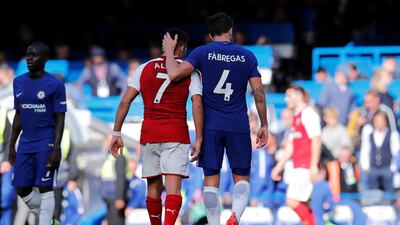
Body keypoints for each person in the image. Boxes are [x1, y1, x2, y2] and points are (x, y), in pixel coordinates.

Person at [162, 12, 268, 225]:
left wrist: (169, 52)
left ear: (210, 35)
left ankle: (213, 223)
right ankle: (235, 216)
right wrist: (264, 124)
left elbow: (174, 74)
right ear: (231, 30)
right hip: (238, 123)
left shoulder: (202, 53)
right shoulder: (247, 56)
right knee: (241, 176)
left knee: (211, 181)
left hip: (211, 125)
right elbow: (258, 92)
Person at [109, 28, 203, 225]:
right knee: (173, 187)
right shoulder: (189, 72)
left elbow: (125, 101)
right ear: (183, 48)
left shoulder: (143, 68)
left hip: (150, 132)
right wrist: (200, 137)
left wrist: (116, 132)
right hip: (176, 133)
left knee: (153, 185)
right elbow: (197, 103)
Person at [8, 42, 67, 225]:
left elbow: (60, 118)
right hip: (25, 142)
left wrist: (56, 147)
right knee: (21, 188)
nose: (29, 58)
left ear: (45, 59)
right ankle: (49, 221)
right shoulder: (18, 82)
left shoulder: (55, 85)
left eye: (34, 55)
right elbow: (19, 115)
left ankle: (45, 222)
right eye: (27, 54)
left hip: (46, 141)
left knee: (45, 187)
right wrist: (12, 145)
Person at [271, 85, 321, 225]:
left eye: (289, 95)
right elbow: (292, 145)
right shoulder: (297, 116)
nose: (286, 99)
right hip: (299, 165)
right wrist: (279, 166)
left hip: (305, 166)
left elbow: (316, 140)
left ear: (299, 96)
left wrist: (313, 166)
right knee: (303, 204)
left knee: (292, 201)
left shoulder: (309, 113)